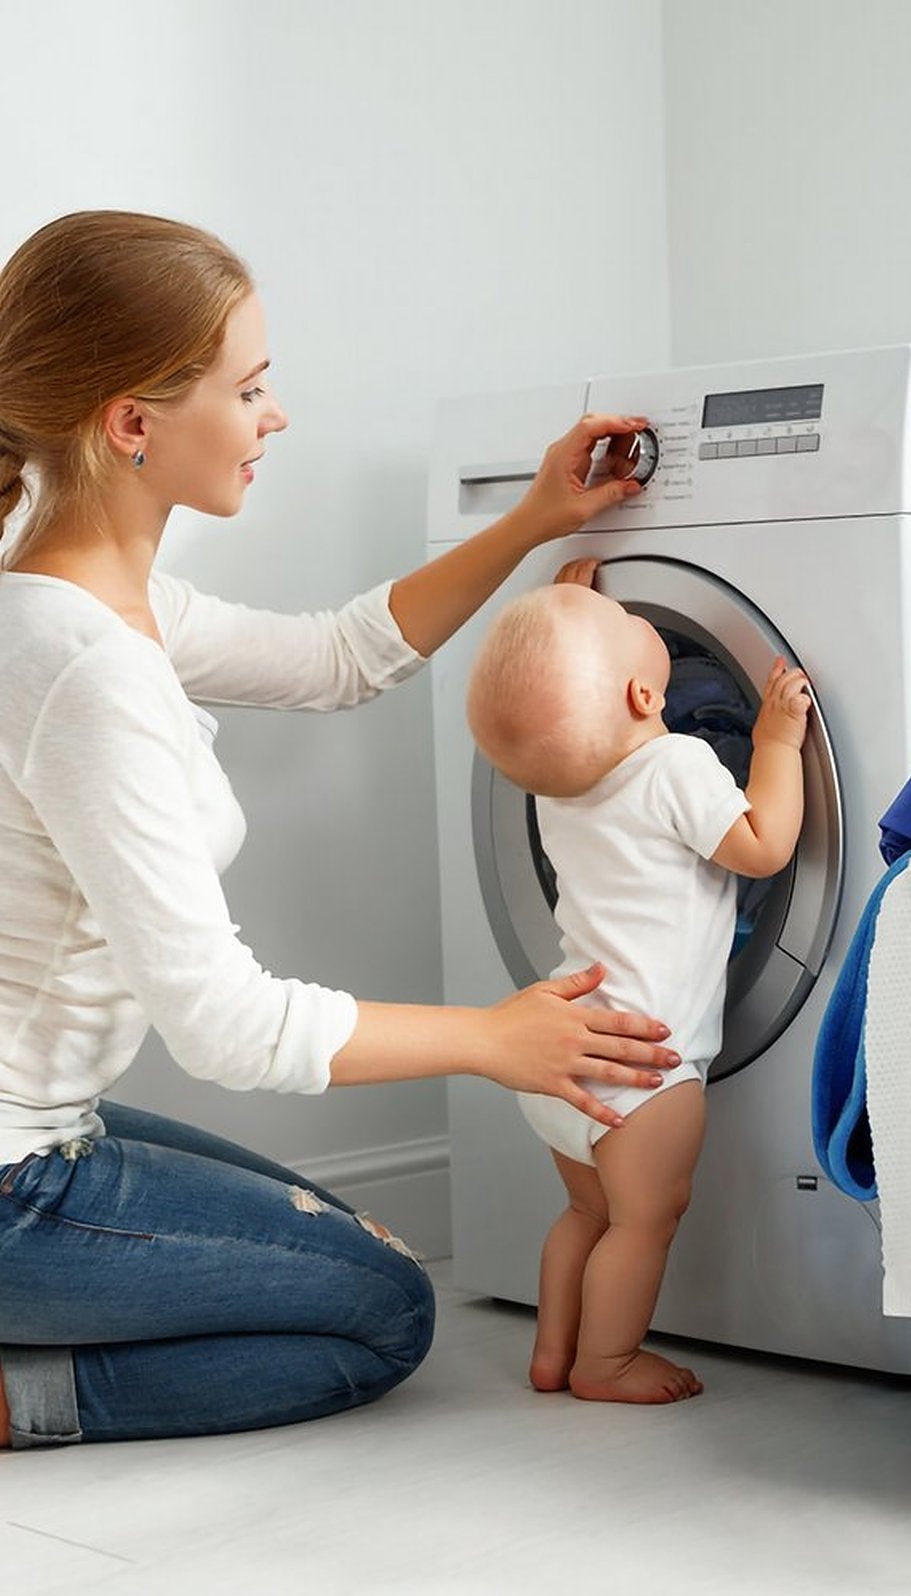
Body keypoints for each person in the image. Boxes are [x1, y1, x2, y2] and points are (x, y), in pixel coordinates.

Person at [0, 210, 683, 1449]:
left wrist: (536, 517)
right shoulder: (83, 666)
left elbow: (338, 657)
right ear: (131, 423)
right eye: (249, 388)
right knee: (381, 1311)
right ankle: (19, 1394)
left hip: (39, 1128)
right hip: (14, 1182)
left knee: (338, 1242)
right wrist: (494, 1038)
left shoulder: (86, 596)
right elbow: (225, 1022)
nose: (277, 417)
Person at [466, 567, 810, 1403]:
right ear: (644, 696)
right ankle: (607, 1362)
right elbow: (763, 847)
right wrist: (772, 746)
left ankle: (552, 1352)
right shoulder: (677, 764)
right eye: (624, 618)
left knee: (586, 1216)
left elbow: (561, 711)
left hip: (567, 1049)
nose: (629, 613)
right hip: (646, 1068)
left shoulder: (556, 782)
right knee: (645, 1222)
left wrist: (565, 617)